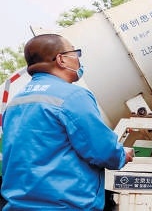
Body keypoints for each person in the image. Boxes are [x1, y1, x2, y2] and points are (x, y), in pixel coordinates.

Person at [1, 33, 134, 210]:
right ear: (61, 60)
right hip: (65, 205)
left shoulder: (15, 102)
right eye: (75, 53)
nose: (78, 59)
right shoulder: (73, 96)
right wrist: (122, 154)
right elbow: (103, 151)